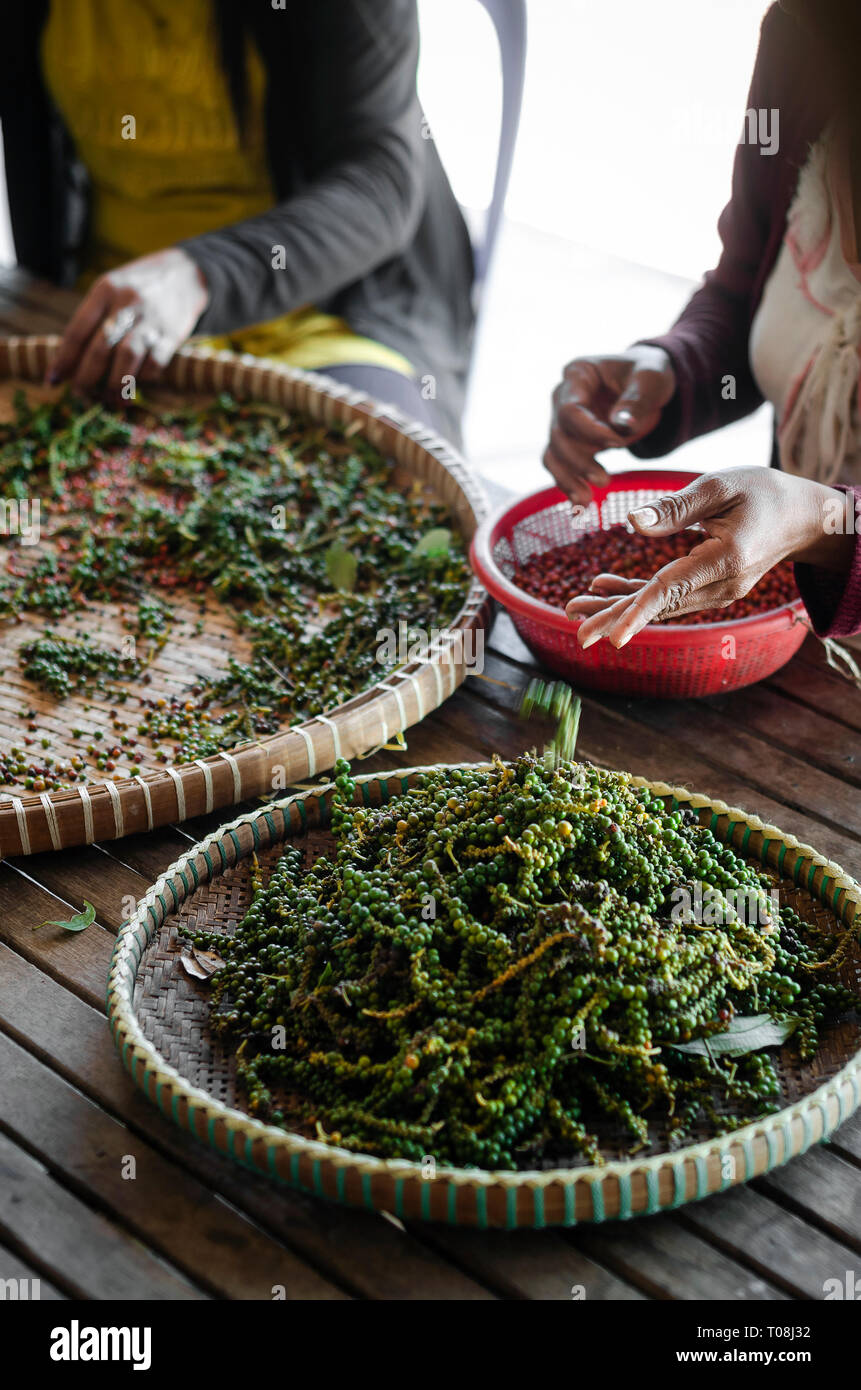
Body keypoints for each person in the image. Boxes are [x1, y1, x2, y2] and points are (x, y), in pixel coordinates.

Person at [1, 0, 475, 445]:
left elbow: (379, 185)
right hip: (103, 311)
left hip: (323, 321)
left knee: (384, 494)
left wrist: (198, 274)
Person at [543, 0, 861, 645]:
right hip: (796, 626)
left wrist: (827, 522)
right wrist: (676, 368)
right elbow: (748, 286)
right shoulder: (809, 37)